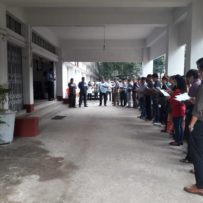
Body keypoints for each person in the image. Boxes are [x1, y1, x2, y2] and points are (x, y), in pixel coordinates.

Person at [184, 58, 203, 196]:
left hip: (200, 124)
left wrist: (191, 124)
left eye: (199, 69)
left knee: (197, 154)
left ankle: (200, 185)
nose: (198, 72)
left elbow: (198, 109)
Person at [180, 69, 201, 163]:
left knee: (191, 136)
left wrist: (185, 99)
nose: (187, 80)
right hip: (195, 113)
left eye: (188, 78)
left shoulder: (196, 85)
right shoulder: (198, 84)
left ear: (191, 77)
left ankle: (190, 156)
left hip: (194, 113)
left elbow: (195, 104)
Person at [169, 75, 187, 146]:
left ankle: (177, 141)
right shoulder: (183, 90)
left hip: (177, 109)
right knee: (180, 126)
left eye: (175, 81)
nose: (174, 83)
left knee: (177, 126)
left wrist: (169, 98)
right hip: (182, 109)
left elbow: (174, 101)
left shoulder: (177, 90)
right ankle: (180, 140)